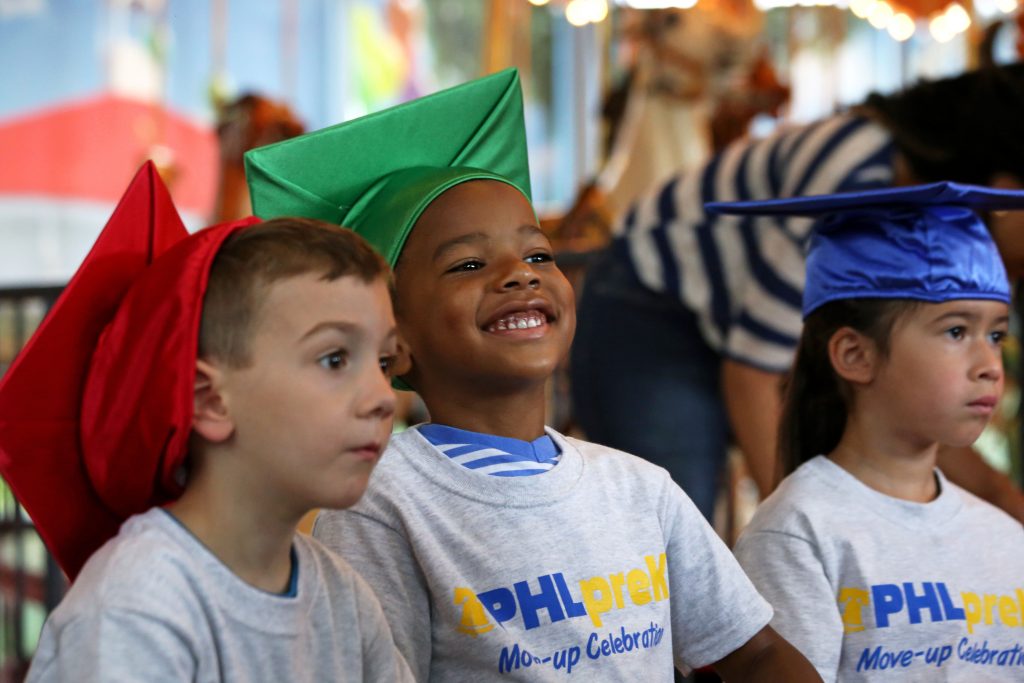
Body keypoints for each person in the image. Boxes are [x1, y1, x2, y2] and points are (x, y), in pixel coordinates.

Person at [245, 68, 821, 682]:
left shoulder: (640, 490)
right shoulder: (381, 500)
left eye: (538, 254)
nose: (520, 274)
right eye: (468, 263)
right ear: (396, 343)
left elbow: (754, 652)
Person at [0, 162, 412, 681]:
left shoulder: (343, 599)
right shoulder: (135, 607)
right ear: (209, 401)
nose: (381, 397)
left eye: (384, 362)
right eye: (334, 359)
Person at [570, 62, 1024, 522]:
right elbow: (752, 372)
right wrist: (799, 534)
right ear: (1006, 187)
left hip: (735, 329)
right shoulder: (855, 166)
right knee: (678, 525)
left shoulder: (931, 213)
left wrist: (1004, 502)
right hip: (652, 306)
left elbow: (910, 402)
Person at [720, 182, 1024, 681]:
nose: (990, 363)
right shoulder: (798, 534)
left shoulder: (1005, 540)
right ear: (855, 355)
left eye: (995, 334)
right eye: (956, 331)